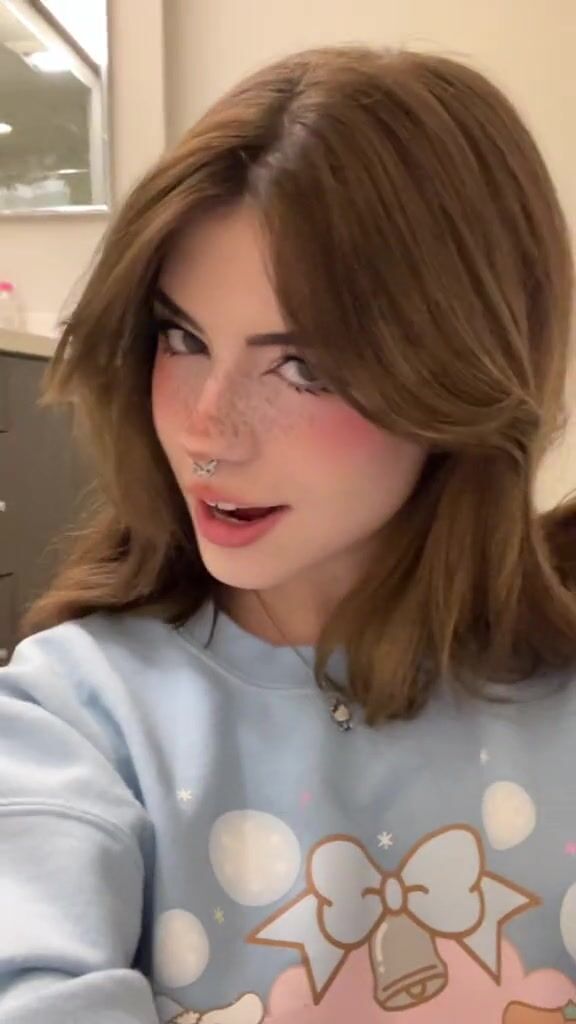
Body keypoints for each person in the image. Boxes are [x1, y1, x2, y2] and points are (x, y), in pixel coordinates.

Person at [1, 43, 576, 1024]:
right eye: (182, 337)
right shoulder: (76, 718)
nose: (207, 429)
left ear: (463, 375)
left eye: (304, 365)